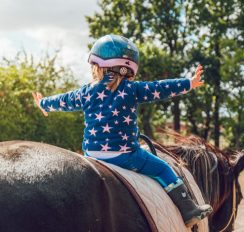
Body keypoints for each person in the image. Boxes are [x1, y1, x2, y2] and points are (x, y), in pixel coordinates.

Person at [32, 34, 212, 227]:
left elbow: (64, 100)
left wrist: (44, 103)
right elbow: (160, 87)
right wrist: (189, 83)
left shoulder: (85, 92)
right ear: (129, 68)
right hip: (125, 155)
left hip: (92, 155)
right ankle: (189, 210)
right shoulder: (131, 89)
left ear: (96, 66)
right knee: (163, 168)